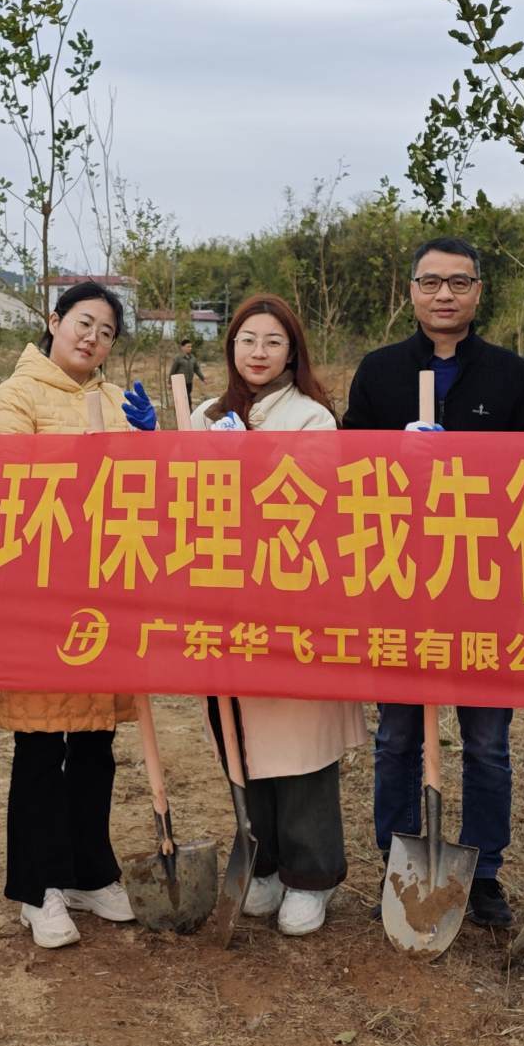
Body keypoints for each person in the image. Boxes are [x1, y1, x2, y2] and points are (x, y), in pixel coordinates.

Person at [343, 236, 524, 929]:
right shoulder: (379, 372)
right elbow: (346, 465)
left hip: (485, 586)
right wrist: (392, 452)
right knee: (397, 734)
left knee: (486, 739)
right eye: (430, 281)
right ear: (411, 291)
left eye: (459, 282)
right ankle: (397, 859)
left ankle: (483, 872)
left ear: (478, 292)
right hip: (400, 581)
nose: (444, 295)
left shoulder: (511, 375)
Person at [185, 293, 363, 935]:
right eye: (247, 340)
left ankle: (311, 875)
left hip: (293, 603)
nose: (258, 353)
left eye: (273, 342)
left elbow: (314, 505)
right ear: (230, 347)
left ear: (292, 352)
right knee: (240, 738)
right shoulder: (204, 415)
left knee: (300, 743)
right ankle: (261, 862)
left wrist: (252, 459)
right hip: (221, 602)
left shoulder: (313, 417)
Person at [0, 279, 152, 949]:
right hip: (41, 592)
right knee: (39, 742)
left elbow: (147, 493)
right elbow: (7, 484)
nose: (92, 338)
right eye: (84, 322)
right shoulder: (17, 395)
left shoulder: (115, 401)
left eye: (106, 332)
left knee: (94, 743)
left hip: (106, 592)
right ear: (54, 322)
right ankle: (37, 887)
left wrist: (151, 442)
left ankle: (88, 871)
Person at [167, 332, 203, 416]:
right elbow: (173, 371)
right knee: (183, 398)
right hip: (180, 383)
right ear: (182, 347)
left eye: (190, 347)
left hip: (189, 382)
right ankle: (185, 413)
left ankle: (188, 412)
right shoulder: (178, 358)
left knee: (187, 396)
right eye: (188, 347)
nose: (190, 348)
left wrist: (203, 378)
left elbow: (196, 369)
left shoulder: (192, 358)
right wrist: (169, 382)